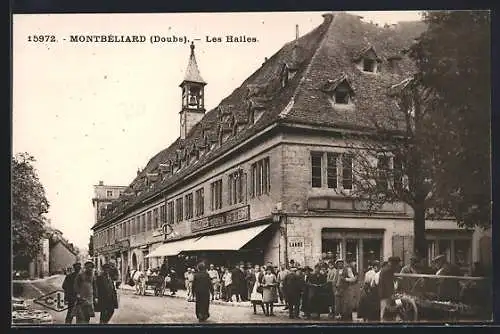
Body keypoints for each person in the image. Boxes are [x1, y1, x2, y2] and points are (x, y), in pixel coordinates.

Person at [379, 256, 401, 321]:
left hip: (386, 295)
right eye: (397, 264)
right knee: (385, 314)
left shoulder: (386, 269)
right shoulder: (388, 270)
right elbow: (388, 285)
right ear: (394, 263)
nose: (398, 266)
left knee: (386, 313)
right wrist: (392, 295)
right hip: (386, 296)